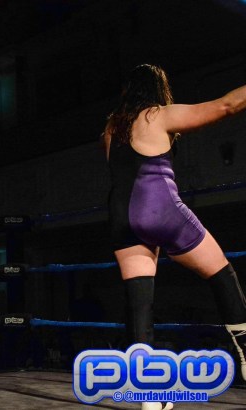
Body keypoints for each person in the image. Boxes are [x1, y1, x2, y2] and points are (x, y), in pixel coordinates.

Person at [104, 64, 246, 410]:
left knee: (140, 304)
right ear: (159, 89)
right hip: (159, 207)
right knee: (222, 273)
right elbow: (227, 105)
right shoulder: (158, 115)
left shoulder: (111, 126)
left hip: (121, 216)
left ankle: (149, 395)